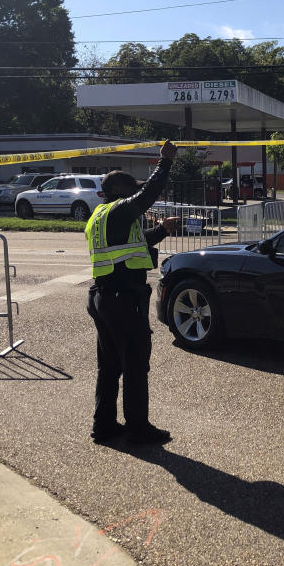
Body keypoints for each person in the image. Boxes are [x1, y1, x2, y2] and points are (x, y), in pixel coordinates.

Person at [85, 139, 181, 445]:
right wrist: (164, 161)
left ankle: (104, 426)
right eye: (132, 190)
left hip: (104, 297)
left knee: (110, 366)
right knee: (136, 365)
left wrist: (162, 230)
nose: (137, 195)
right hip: (123, 299)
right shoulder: (120, 210)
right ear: (120, 192)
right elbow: (148, 194)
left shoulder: (100, 216)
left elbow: (132, 247)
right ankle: (138, 429)